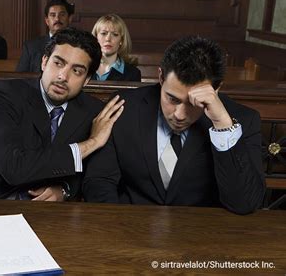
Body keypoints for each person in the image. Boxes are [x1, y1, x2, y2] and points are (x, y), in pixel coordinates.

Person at [83, 36, 265, 214]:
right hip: (127, 229)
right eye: (172, 98)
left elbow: (245, 203)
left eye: (194, 103)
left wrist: (222, 126)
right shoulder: (124, 107)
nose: (179, 115)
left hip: (202, 235)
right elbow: (99, 182)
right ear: (161, 77)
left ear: (216, 90)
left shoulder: (242, 120)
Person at [0, 27, 124, 201]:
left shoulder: (93, 112)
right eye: (58, 63)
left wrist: (64, 190)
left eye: (76, 71)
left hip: (48, 217)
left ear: (86, 80)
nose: (63, 76)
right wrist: (91, 143)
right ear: (44, 62)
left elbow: (96, 177)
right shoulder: (2, 96)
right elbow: (14, 168)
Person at [16, 0, 74, 72]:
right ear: (47, 21)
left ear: (69, 18)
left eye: (62, 15)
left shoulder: (78, 46)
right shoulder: (31, 47)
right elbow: (20, 77)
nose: (57, 19)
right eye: (53, 15)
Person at [91, 14, 141, 81]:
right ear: (96, 37)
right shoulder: (86, 66)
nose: (108, 39)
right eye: (103, 33)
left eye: (115, 34)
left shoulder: (133, 73)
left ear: (121, 40)